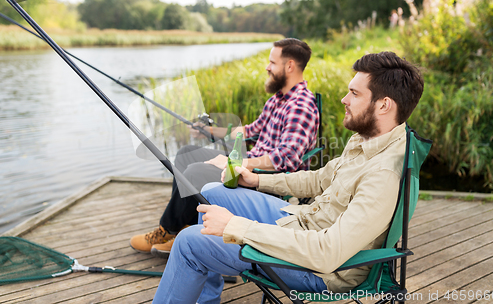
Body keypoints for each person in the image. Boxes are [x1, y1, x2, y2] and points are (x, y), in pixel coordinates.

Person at [152, 51, 425, 304]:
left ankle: (198, 262)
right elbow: (319, 180)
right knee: (212, 191)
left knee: (188, 241)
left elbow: (327, 253)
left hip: (319, 270)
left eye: (354, 93)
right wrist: (258, 180)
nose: (344, 99)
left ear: (383, 105)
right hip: (303, 221)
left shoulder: (383, 174)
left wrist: (238, 226)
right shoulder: (366, 140)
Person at [130, 38, 320, 258]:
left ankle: (167, 230)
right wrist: (210, 132)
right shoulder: (278, 100)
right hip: (247, 164)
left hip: (262, 178)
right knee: (185, 154)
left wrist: (237, 163)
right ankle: (185, 228)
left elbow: (286, 159)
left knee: (194, 172)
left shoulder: (300, 105)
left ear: (289, 66)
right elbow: (249, 130)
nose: (267, 67)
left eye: (272, 63)